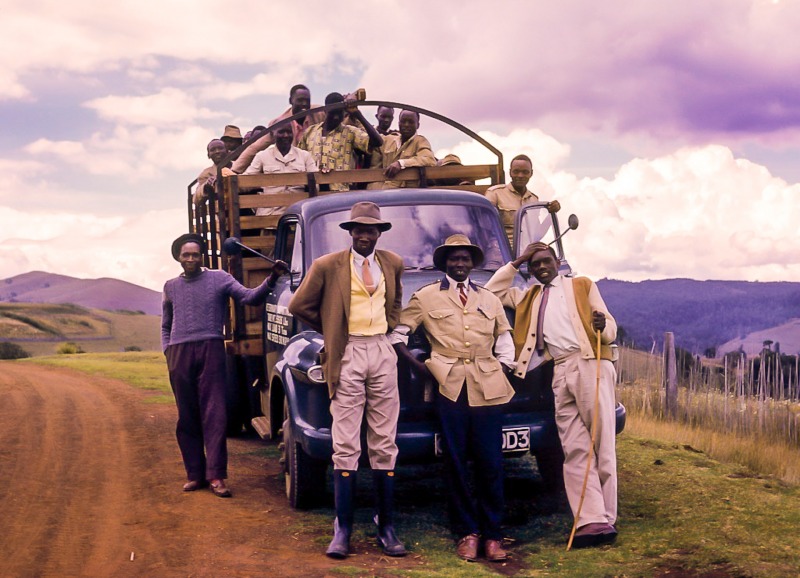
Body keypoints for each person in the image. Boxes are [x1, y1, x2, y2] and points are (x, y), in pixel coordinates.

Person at [288, 202, 406, 559]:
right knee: (346, 441)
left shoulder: (392, 262)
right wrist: (333, 329)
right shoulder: (327, 265)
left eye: (372, 230)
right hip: (347, 353)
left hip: (382, 351)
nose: (365, 235)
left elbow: (396, 300)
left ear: (380, 233)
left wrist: (390, 329)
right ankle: (343, 530)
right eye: (359, 229)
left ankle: (385, 526)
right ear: (350, 232)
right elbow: (298, 306)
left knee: (385, 441)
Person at [485, 242, 619, 548]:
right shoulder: (527, 296)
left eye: (546, 261)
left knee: (602, 443)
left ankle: (608, 517)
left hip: (590, 364)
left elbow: (609, 325)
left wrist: (603, 327)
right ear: (529, 271)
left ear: (557, 262)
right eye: (535, 265)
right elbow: (491, 292)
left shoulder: (582, 285)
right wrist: (516, 261)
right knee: (573, 447)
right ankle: (588, 520)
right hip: (559, 370)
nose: (541, 267)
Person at [392, 234, 515, 562]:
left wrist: (500, 367)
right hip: (450, 387)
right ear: (444, 263)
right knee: (456, 461)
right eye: (454, 259)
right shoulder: (426, 296)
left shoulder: (488, 298)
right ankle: (467, 533)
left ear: (472, 264)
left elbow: (504, 339)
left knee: (491, 461)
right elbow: (398, 334)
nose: (459, 264)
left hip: (488, 387)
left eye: (465, 259)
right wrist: (419, 367)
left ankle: (493, 535)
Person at [161, 233, 288, 498]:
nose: (191, 258)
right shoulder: (170, 286)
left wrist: (272, 277)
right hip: (179, 353)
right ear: (178, 257)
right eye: (186, 254)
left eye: (195, 254)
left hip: (211, 349)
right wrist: (168, 351)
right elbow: (166, 324)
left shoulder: (219, 278)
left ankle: (216, 475)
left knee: (214, 413)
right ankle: (195, 475)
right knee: (187, 416)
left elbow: (250, 297)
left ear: (202, 256)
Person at [298, 92, 383, 191]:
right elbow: (300, 159)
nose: (336, 117)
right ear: (325, 111)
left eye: (340, 113)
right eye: (333, 113)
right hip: (313, 191)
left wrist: (357, 114)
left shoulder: (350, 132)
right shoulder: (310, 132)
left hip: (339, 192)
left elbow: (378, 142)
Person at [232, 84, 325, 173]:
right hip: (294, 170)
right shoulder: (280, 124)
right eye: (300, 100)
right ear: (290, 101)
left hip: (317, 168)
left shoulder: (319, 113)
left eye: (307, 101)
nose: (304, 104)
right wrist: (234, 170)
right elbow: (255, 147)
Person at [241, 124, 318, 217]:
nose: (286, 135)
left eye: (289, 132)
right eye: (281, 132)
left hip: (297, 215)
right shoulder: (262, 156)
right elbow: (247, 181)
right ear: (273, 134)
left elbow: (316, 182)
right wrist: (232, 177)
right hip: (269, 215)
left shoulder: (304, 156)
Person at [485, 154, 560, 243]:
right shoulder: (495, 193)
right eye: (516, 171)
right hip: (500, 248)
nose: (520, 175)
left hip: (527, 249)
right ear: (510, 172)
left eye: (525, 172)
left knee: (547, 255)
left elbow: (537, 234)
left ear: (531, 173)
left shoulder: (534, 200)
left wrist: (551, 214)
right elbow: (484, 228)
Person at [368, 110, 436, 189]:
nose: (406, 125)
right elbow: (374, 169)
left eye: (411, 122)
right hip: (382, 192)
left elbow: (429, 159)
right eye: (403, 121)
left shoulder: (420, 141)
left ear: (418, 125)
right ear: (398, 123)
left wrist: (401, 163)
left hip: (405, 195)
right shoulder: (387, 140)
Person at [193, 139, 235, 206]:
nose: (217, 151)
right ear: (208, 155)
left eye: (220, 148)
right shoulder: (206, 174)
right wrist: (206, 186)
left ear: (227, 151)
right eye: (213, 150)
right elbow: (196, 200)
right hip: (222, 211)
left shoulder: (240, 166)